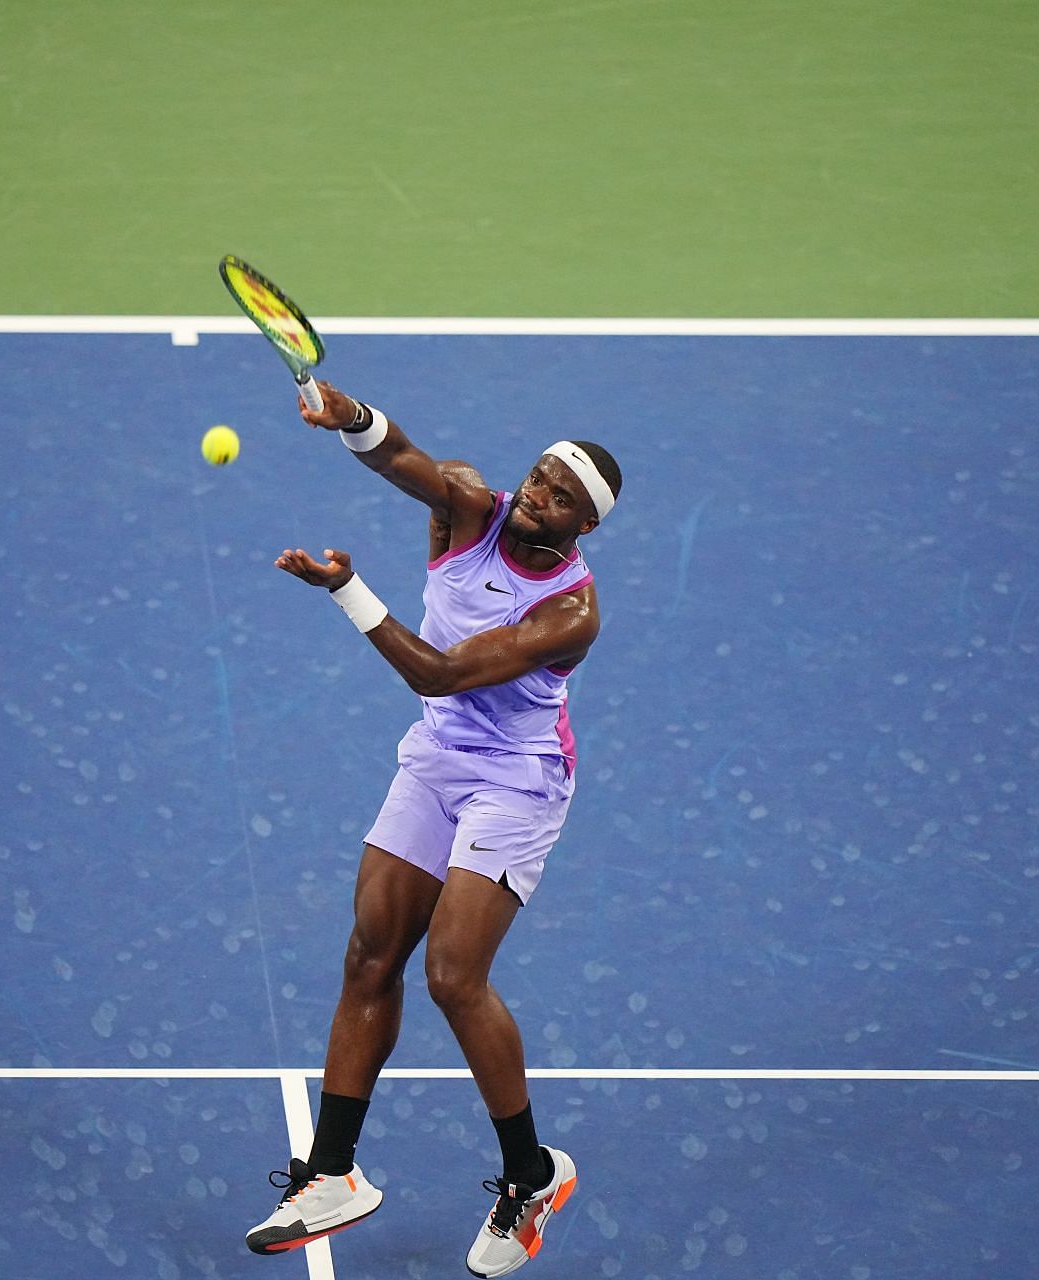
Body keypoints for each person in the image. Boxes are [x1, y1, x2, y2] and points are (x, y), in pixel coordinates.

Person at [245, 381, 621, 1277]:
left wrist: (348, 591)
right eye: (538, 479)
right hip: (440, 755)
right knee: (371, 951)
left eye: (561, 496)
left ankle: (529, 1177)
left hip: (517, 782)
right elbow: (402, 458)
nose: (538, 495)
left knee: (454, 974)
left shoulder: (571, 613)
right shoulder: (469, 506)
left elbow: (447, 671)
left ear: (584, 527)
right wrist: (351, 421)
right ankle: (331, 1174)